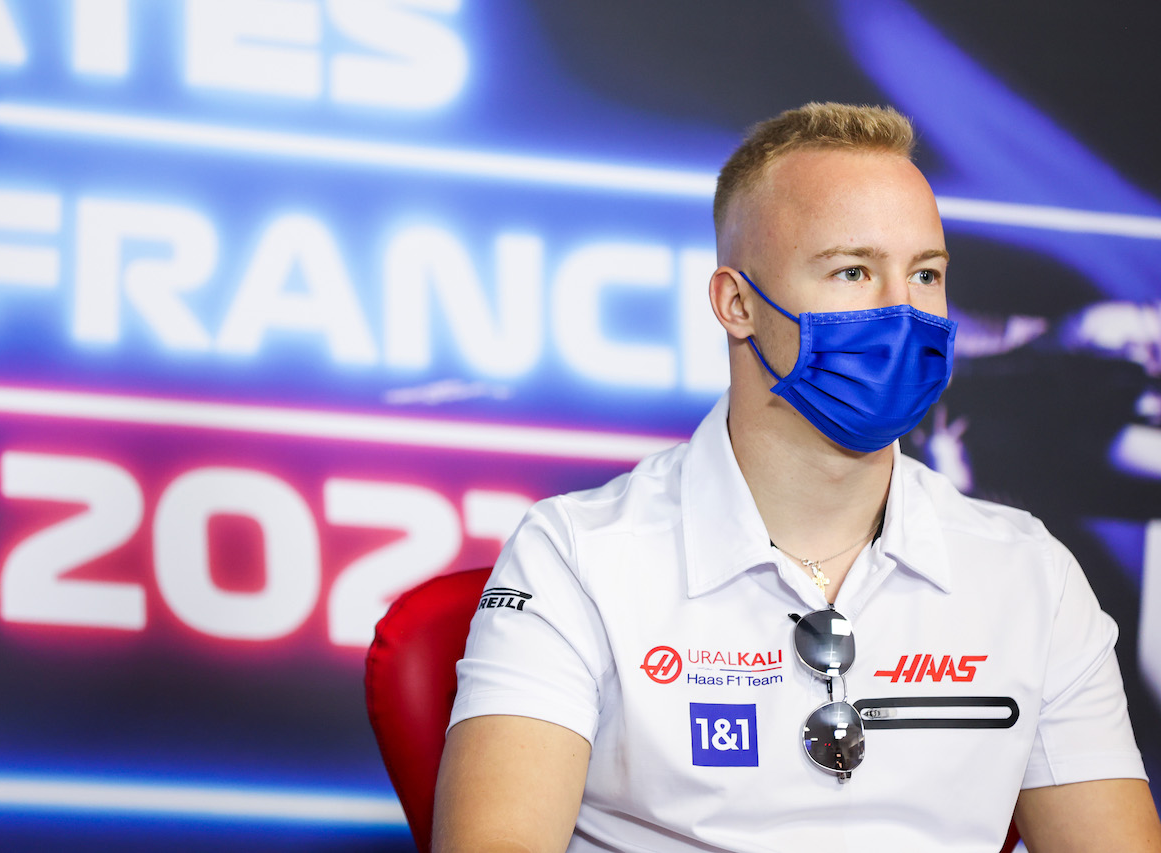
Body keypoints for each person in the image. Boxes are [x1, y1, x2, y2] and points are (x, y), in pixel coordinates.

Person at [431, 103, 1161, 852]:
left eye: (926, 273)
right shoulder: (576, 555)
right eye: (853, 270)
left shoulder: (1032, 574)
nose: (902, 312)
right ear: (737, 303)